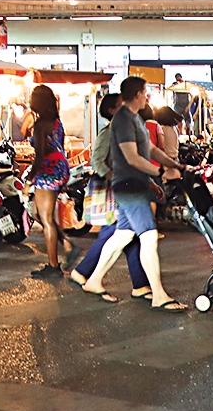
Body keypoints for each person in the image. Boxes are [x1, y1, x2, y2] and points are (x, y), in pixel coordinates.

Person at [75, 75, 183, 310]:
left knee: (122, 236)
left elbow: (150, 149)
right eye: (145, 92)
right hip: (129, 187)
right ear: (137, 94)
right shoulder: (123, 119)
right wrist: (161, 172)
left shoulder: (135, 119)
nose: (147, 97)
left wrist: (175, 165)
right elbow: (132, 158)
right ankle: (158, 294)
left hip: (135, 185)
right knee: (149, 237)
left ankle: (93, 281)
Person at [22, 82, 70, 279]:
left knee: (46, 219)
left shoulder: (40, 125)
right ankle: (66, 244)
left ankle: (53, 265)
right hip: (60, 166)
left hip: (47, 170)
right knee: (37, 213)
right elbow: (60, 147)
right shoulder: (57, 122)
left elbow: (39, 155)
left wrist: (29, 180)